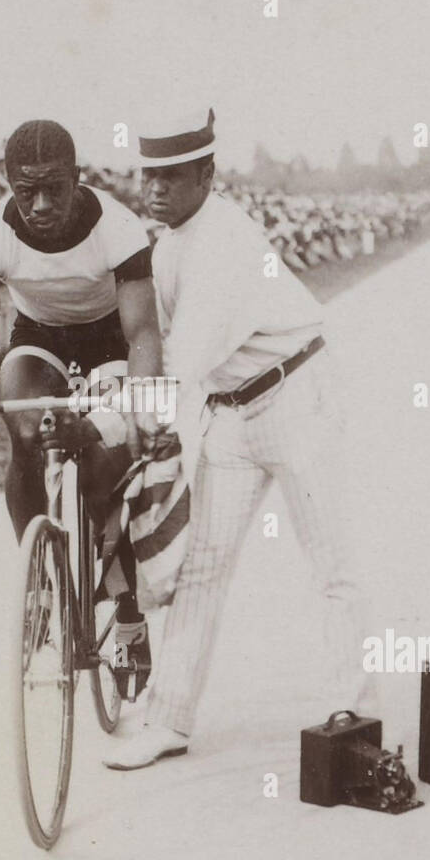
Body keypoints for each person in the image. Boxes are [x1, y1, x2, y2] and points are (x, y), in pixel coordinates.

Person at [105, 108, 370, 770]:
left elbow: (179, 361)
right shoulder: (166, 245)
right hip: (232, 409)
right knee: (201, 567)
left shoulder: (223, 238)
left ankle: (352, 711)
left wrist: (133, 409)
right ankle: (168, 719)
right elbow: (149, 347)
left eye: (173, 176)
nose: (157, 188)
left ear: (207, 175)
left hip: (296, 395)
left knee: (330, 562)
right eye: (149, 175)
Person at [0, 118, 164, 673]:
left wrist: (141, 414)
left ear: (77, 178)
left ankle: (127, 604)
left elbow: (143, 334)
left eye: (54, 188)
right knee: (26, 433)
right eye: (26, 190)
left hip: (111, 337)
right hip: (39, 339)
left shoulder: (121, 226)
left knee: (102, 463)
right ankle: (37, 578)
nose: (40, 204)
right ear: (9, 184)